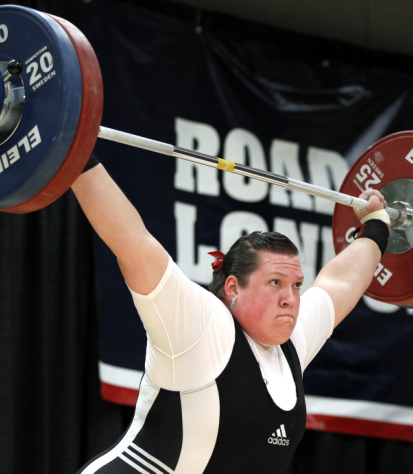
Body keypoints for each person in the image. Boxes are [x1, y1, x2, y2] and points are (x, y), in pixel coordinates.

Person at [72, 155, 390, 474]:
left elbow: (341, 282)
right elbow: (134, 244)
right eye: (275, 283)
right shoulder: (203, 325)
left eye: (296, 285)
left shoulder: (293, 339)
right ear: (234, 288)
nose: (290, 299)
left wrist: (377, 225)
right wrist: (76, 153)